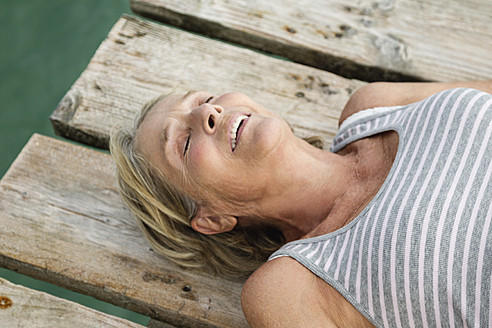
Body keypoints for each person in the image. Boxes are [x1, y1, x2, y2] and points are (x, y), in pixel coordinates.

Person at [110, 81, 492, 327]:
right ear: (211, 219)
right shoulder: (289, 289)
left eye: (205, 100)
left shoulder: (374, 106)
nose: (207, 113)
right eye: (184, 143)